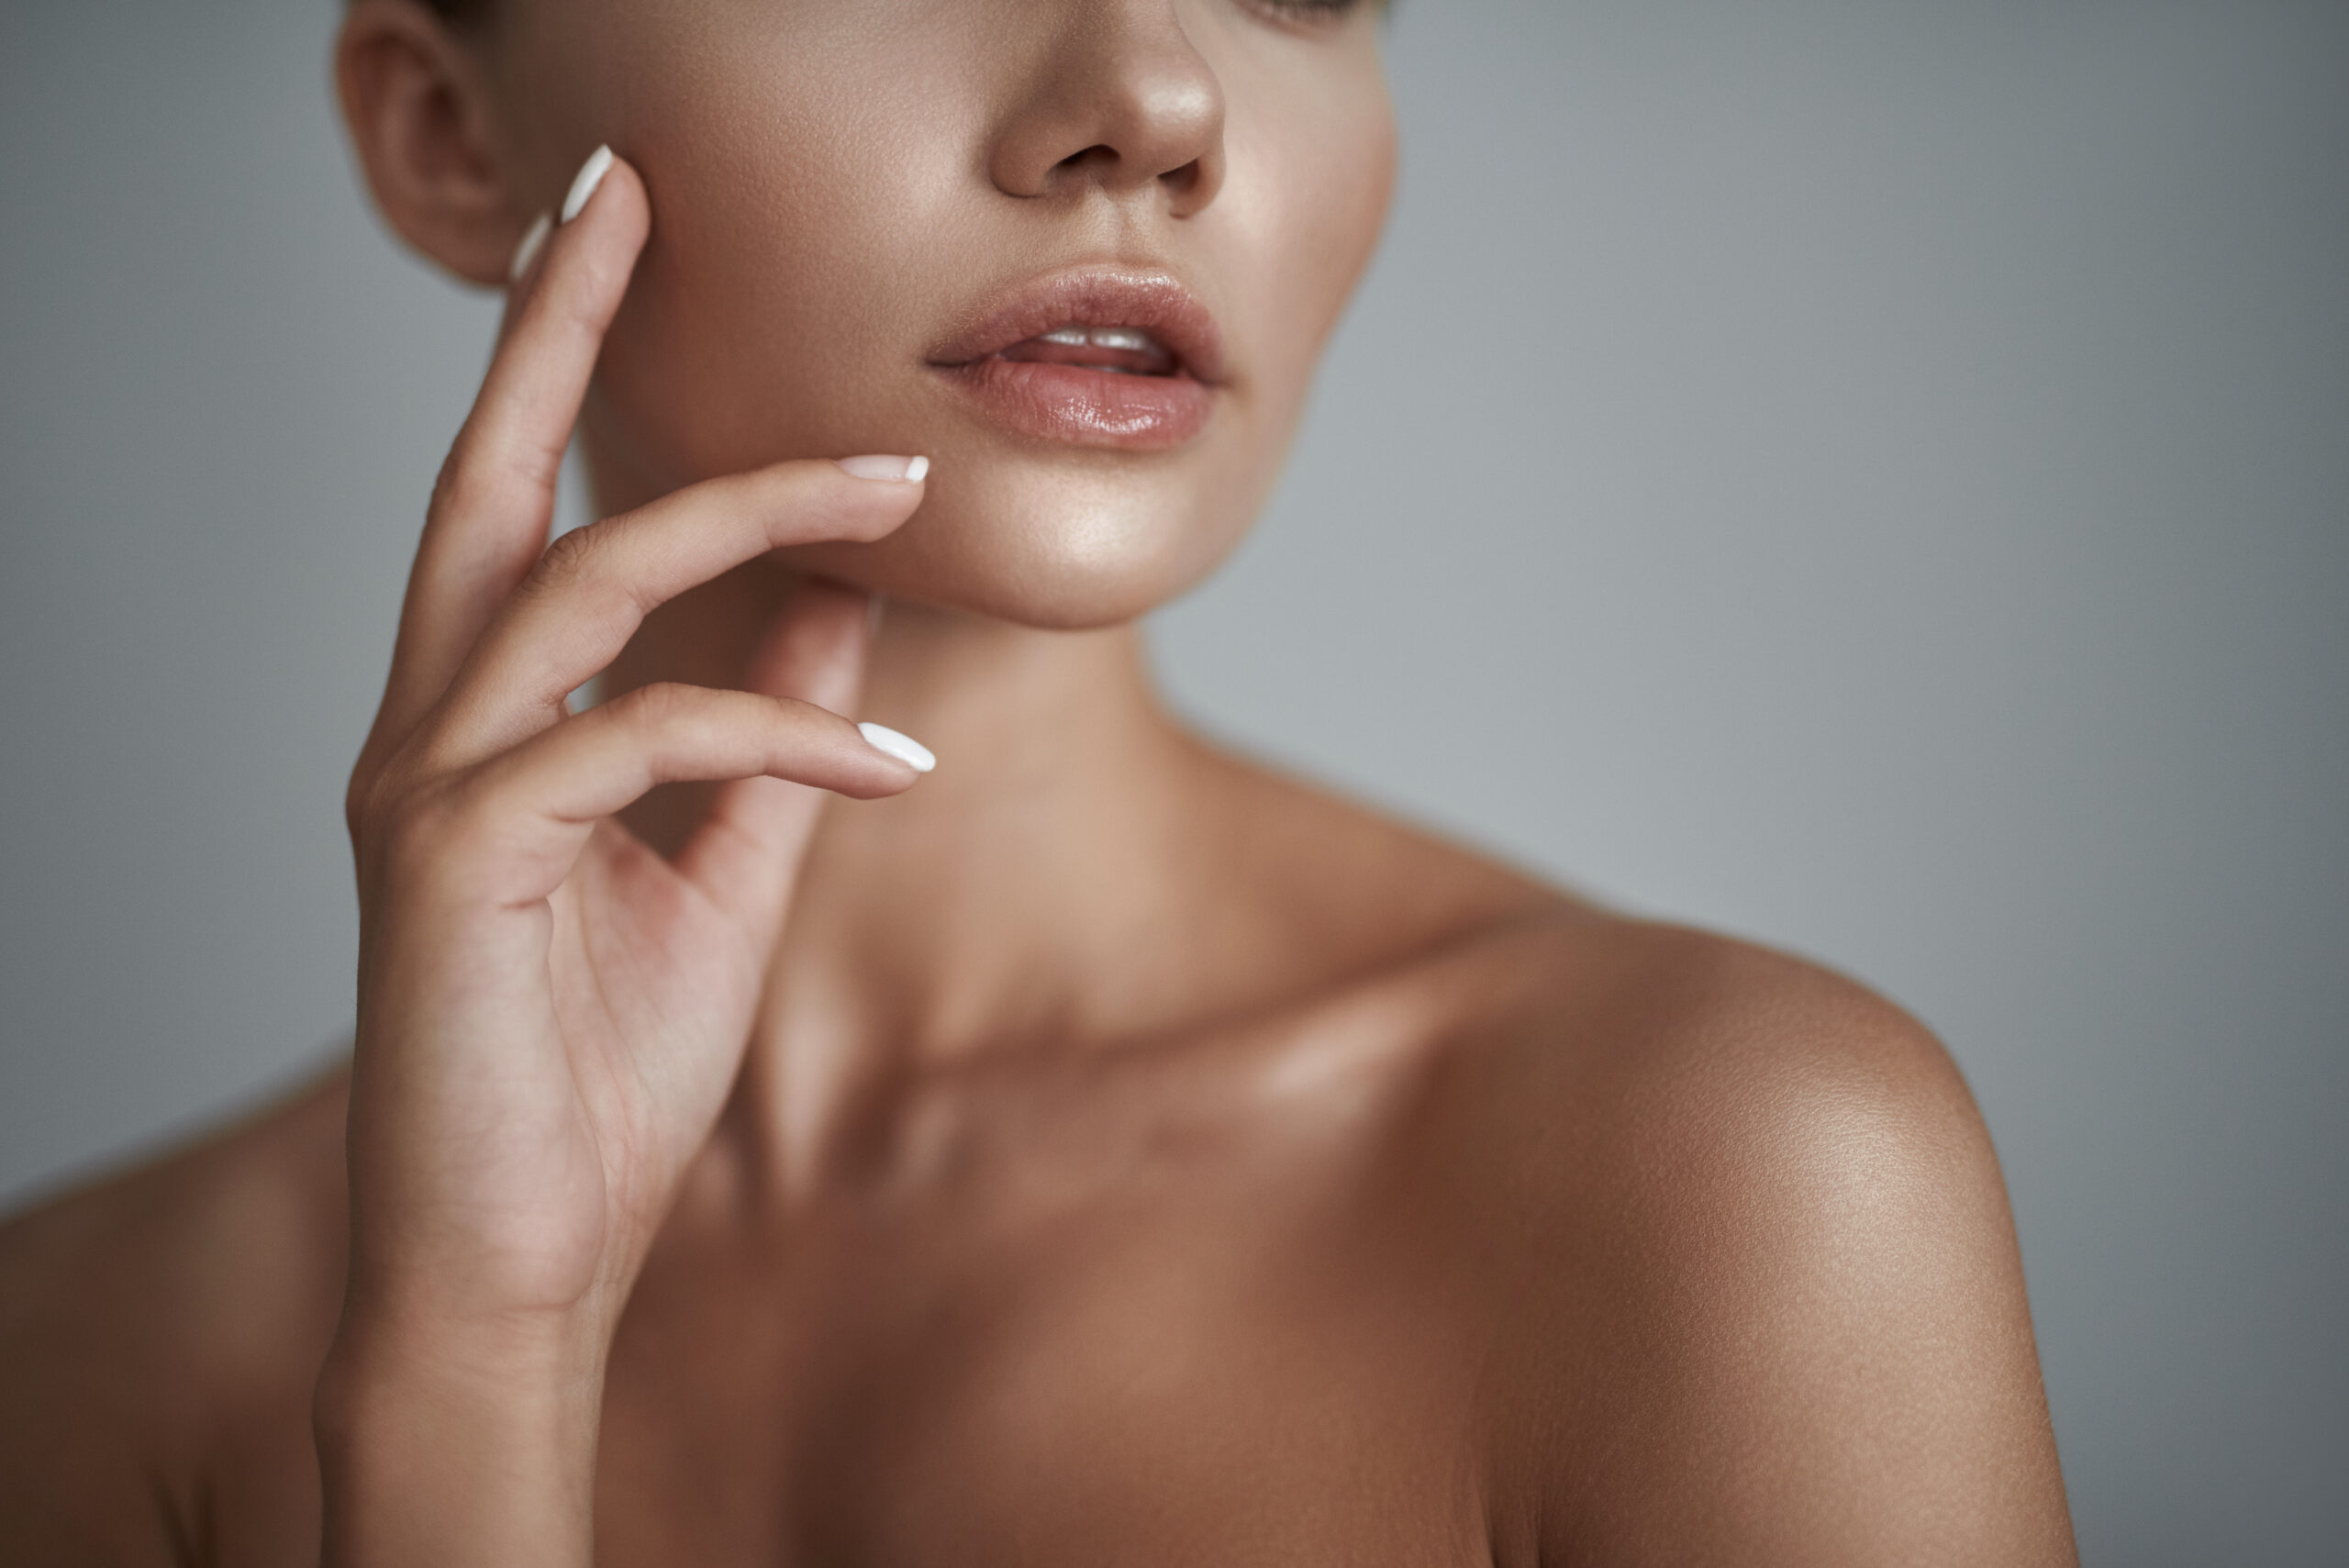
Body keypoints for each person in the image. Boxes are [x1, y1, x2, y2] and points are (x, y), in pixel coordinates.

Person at [0, 0, 2078, 1562]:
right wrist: (467, 1378)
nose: (1159, 104)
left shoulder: (1737, 1190)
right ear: (450, 134)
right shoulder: (78, 1368)